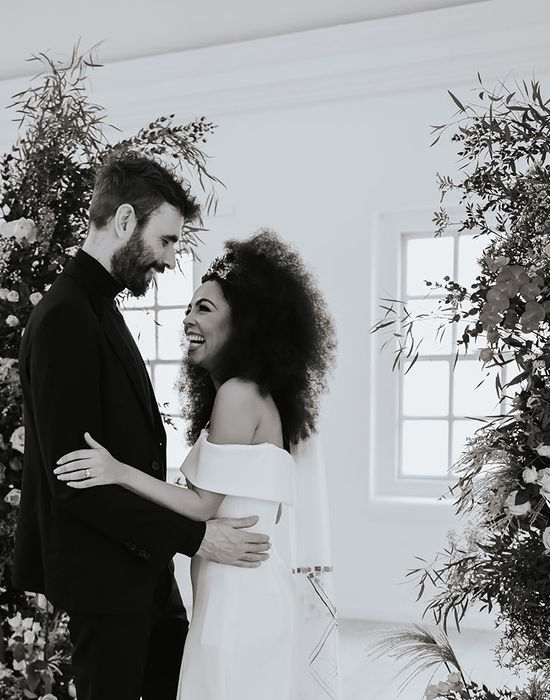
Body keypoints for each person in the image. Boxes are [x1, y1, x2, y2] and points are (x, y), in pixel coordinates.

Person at [12, 151, 272, 700]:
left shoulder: (96, 306)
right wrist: (198, 538)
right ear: (126, 221)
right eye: (168, 240)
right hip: (105, 583)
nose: (172, 259)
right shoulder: (66, 317)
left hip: (141, 573)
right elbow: (74, 482)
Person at [54, 230, 339, 699]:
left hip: (237, 604)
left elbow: (204, 506)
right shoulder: (262, 398)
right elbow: (268, 510)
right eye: (189, 307)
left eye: (204, 309)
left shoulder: (236, 395)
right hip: (252, 595)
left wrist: (118, 471)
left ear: (244, 324)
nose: (188, 318)